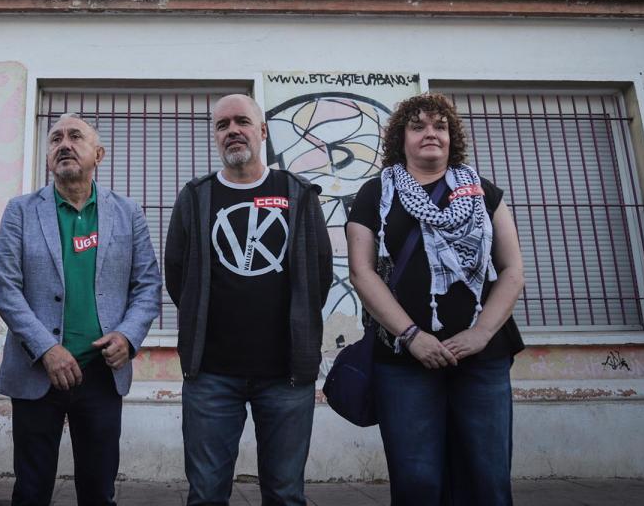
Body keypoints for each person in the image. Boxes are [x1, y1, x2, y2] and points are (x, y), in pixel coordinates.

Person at [345, 92, 525, 506]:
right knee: (417, 483)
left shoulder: (485, 193)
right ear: (401, 139)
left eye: (440, 126)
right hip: (403, 359)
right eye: (419, 126)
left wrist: (480, 334)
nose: (431, 133)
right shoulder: (374, 194)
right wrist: (411, 335)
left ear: (452, 137)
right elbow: (362, 272)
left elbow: (512, 271)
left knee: (488, 481)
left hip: (482, 358)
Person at [165, 94, 332, 506]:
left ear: (262, 130)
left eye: (242, 121)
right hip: (211, 376)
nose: (232, 131)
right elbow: (176, 276)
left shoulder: (298, 194)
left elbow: (319, 275)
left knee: (285, 493)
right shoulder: (195, 197)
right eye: (222, 125)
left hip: (286, 374)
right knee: (205, 493)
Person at [0, 113, 161, 506]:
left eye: (75, 136)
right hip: (37, 372)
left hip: (102, 372)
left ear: (98, 153)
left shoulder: (128, 212)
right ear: (49, 158)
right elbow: (5, 287)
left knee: (98, 490)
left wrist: (128, 336)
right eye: (55, 139)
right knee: (31, 490)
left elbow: (147, 285)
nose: (63, 144)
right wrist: (46, 349)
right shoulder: (20, 210)